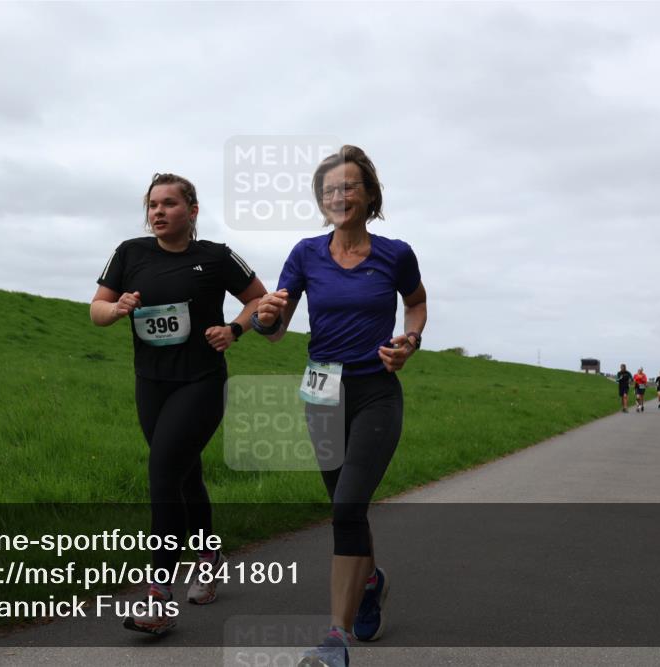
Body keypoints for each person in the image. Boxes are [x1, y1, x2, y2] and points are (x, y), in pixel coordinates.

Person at [253, 146, 427, 667]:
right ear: (320, 199)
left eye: (349, 186)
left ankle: (336, 639)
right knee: (343, 508)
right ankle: (370, 582)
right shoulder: (305, 253)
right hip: (320, 391)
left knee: (348, 507)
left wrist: (409, 341)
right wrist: (265, 315)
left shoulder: (395, 254)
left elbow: (415, 303)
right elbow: (274, 329)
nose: (339, 195)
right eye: (330, 189)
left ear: (369, 194)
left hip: (375, 390)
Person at [90, 173, 266, 634]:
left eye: (169, 203)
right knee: (185, 475)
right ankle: (208, 554)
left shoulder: (216, 256)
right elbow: (97, 311)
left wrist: (234, 330)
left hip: (202, 382)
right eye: (152, 205)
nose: (158, 212)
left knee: (164, 471)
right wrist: (119, 307)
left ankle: (159, 595)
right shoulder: (129, 253)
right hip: (151, 384)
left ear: (192, 210)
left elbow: (260, 301)